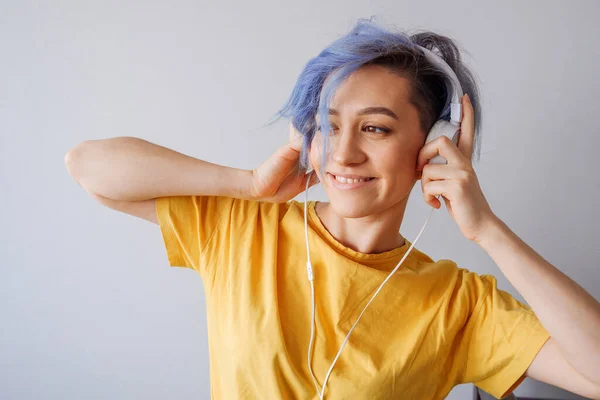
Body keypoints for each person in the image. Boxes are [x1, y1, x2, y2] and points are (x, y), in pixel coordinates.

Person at [65, 17, 600, 400]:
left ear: (435, 145)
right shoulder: (242, 227)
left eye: (375, 127)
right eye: (328, 124)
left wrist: (488, 230)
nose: (342, 153)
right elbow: (89, 167)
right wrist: (247, 183)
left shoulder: (458, 303)